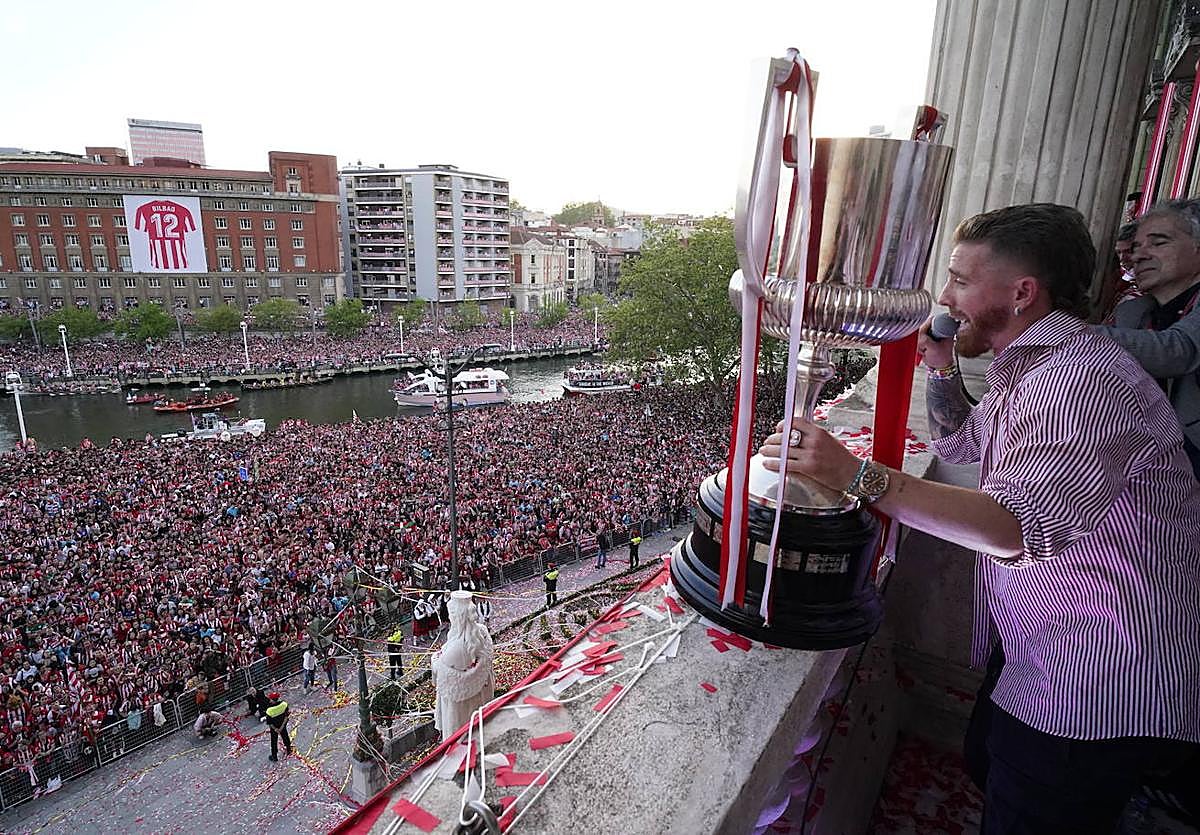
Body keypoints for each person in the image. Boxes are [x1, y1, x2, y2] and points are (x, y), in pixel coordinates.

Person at [760, 203, 1200, 834]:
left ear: (1022, 293)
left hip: (1097, 674)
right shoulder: (1037, 363)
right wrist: (941, 368)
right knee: (987, 762)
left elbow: (1015, 527)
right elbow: (962, 445)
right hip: (1045, 645)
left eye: (961, 280)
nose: (944, 297)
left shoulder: (1079, 381)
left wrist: (854, 476)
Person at [1095, 199, 1200, 479]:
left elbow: (1177, 351)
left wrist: (1068, 331)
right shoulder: (1133, 312)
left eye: (1158, 242)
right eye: (1136, 247)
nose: (1138, 256)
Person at [263, 692, 292, 762]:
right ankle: (288, 749)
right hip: (282, 724)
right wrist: (282, 727)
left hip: (274, 727)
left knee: (274, 741)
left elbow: (269, 723)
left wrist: (276, 729)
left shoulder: (269, 710)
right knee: (285, 736)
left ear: (272, 700)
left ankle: (274, 756)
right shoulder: (284, 704)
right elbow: (286, 716)